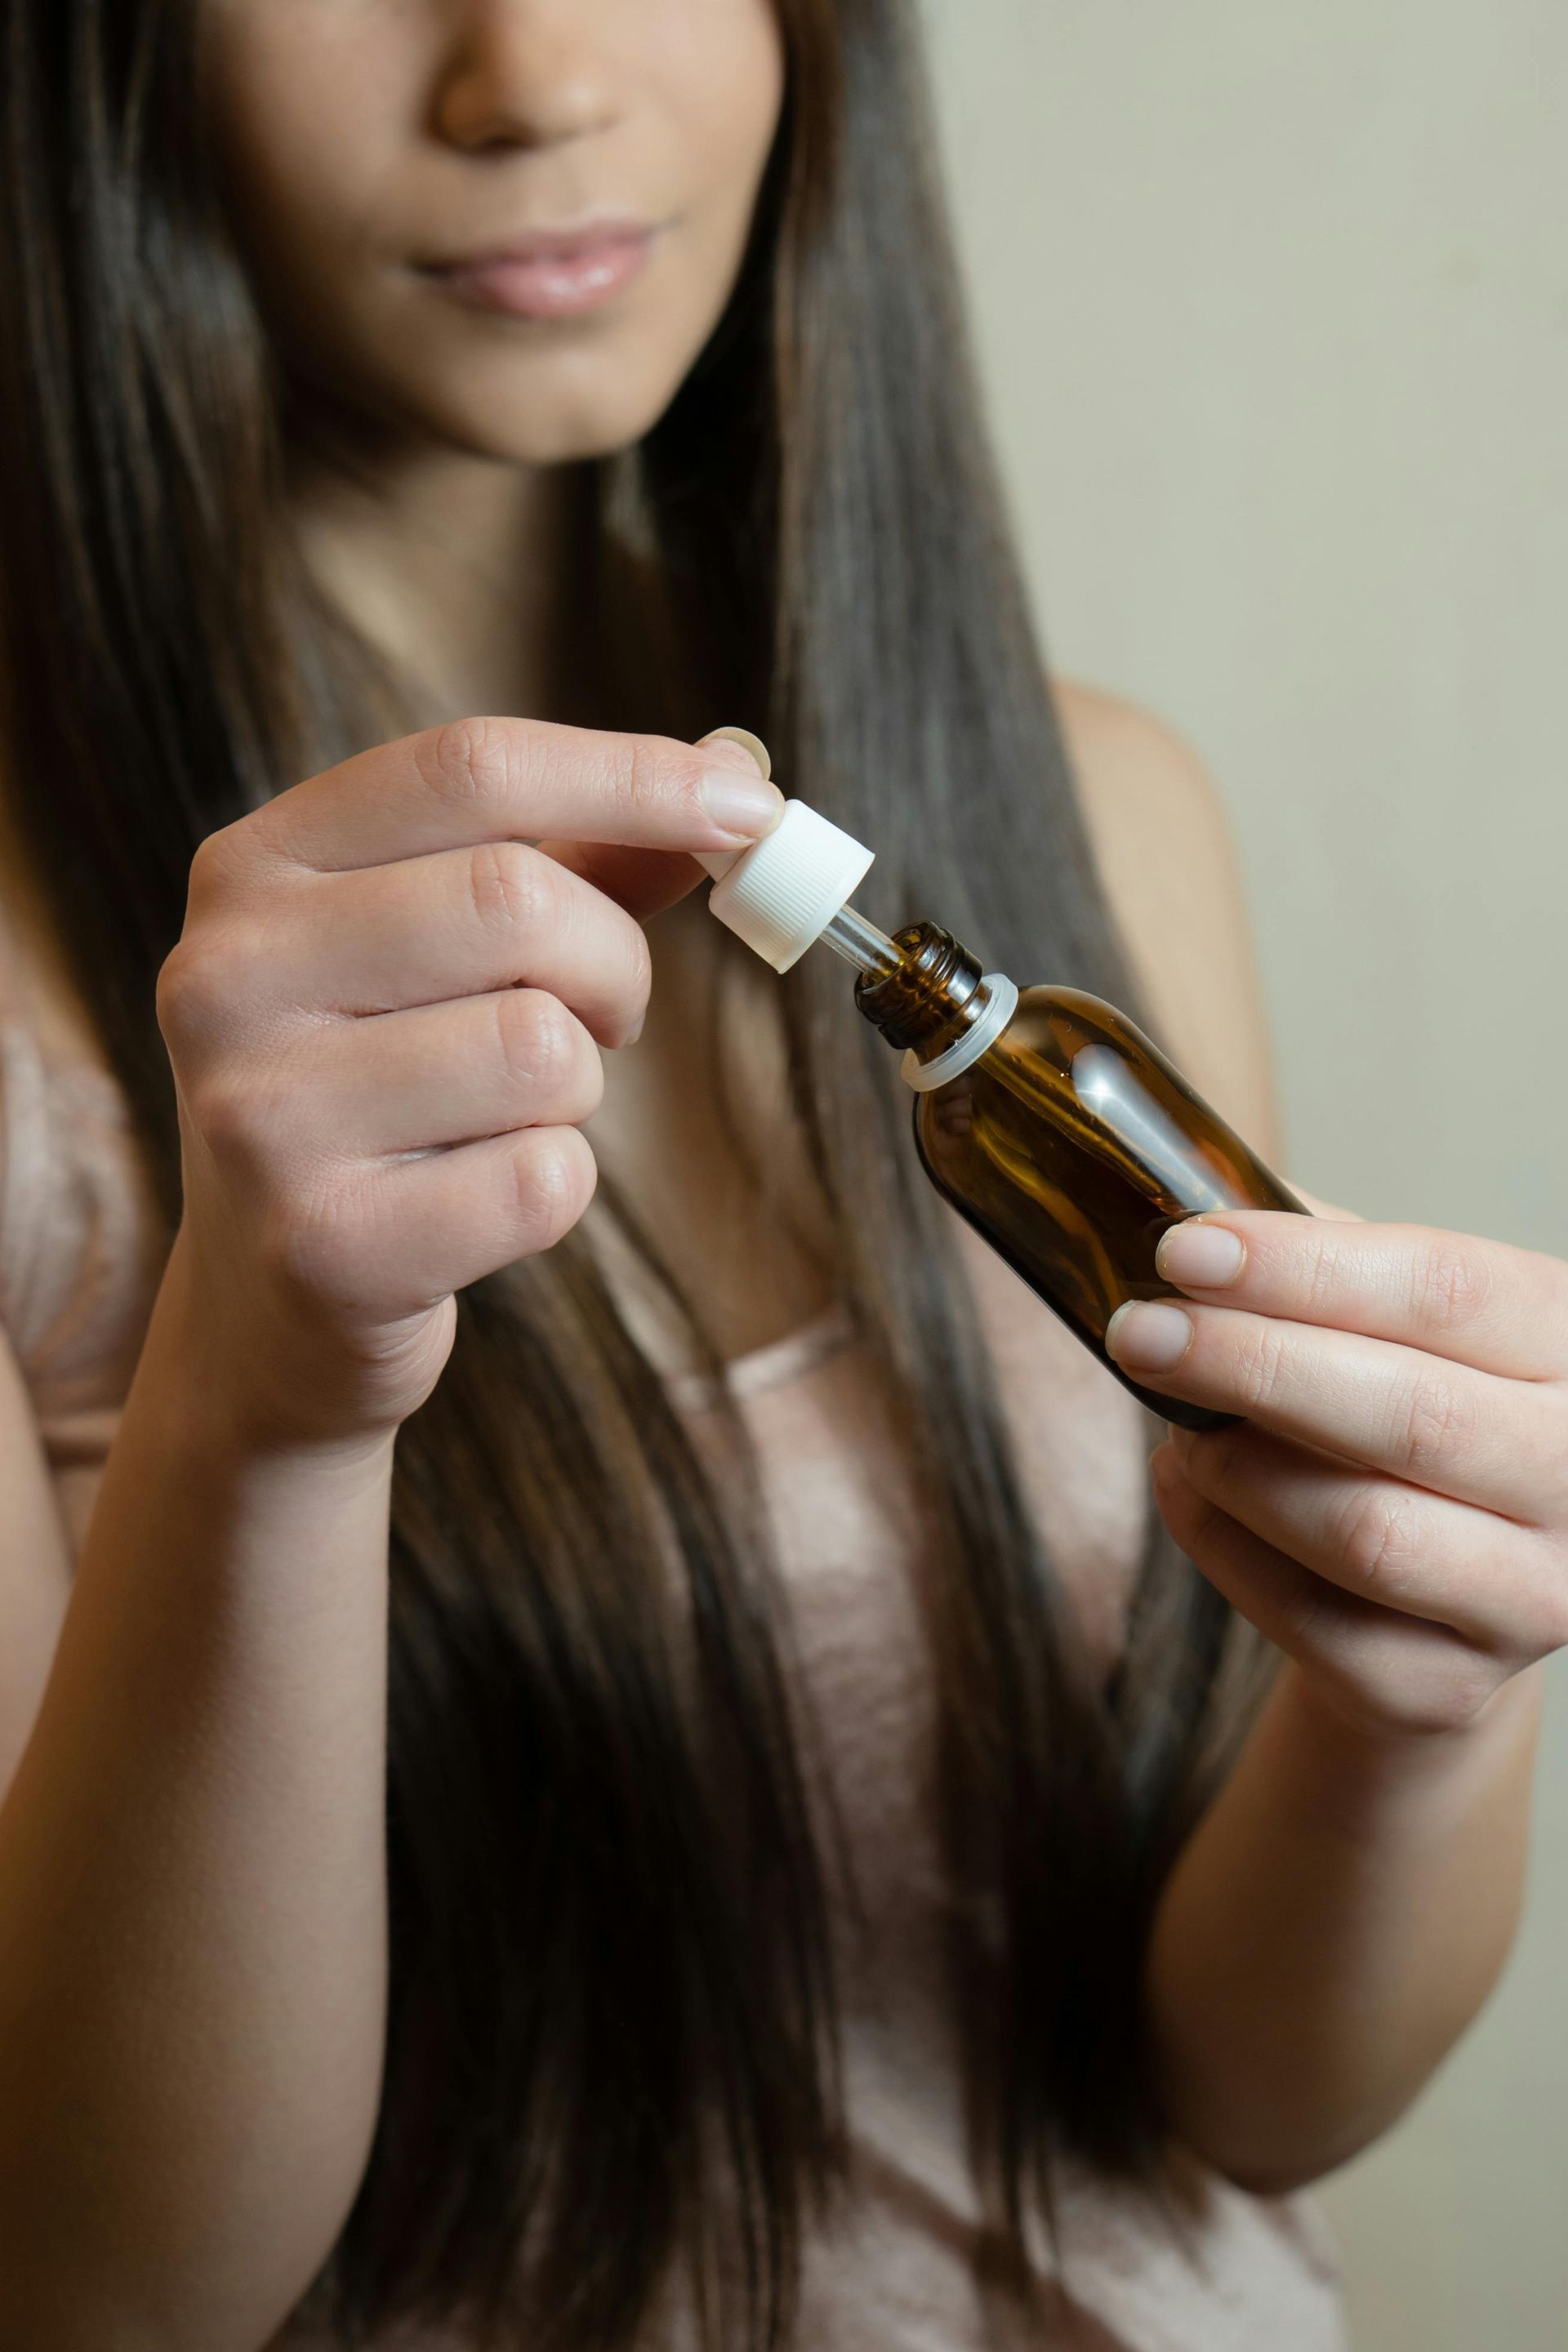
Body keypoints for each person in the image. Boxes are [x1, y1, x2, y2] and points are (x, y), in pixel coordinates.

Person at [0, 5, 1561, 2348]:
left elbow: (1245, 2103)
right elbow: (95, 2284)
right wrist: (268, 1401)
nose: (526, 77)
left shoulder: (1101, 825)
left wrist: (1427, 1708)